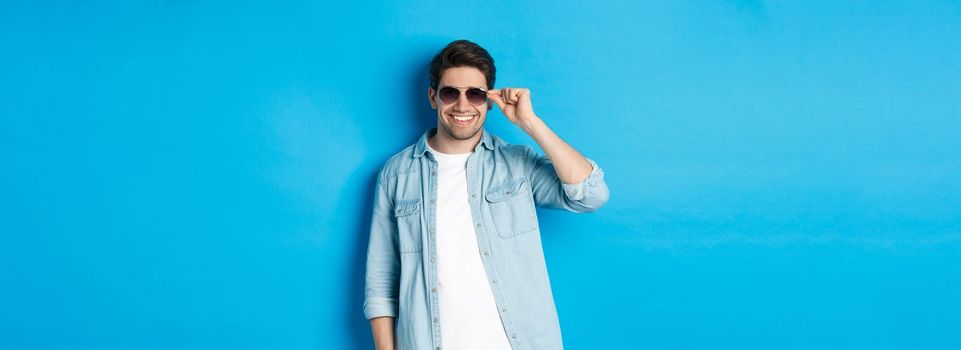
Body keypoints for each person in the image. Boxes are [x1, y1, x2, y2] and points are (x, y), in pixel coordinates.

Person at [364, 39, 609, 350]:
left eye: (476, 94)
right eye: (450, 93)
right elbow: (381, 283)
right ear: (432, 97)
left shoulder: (517, 164)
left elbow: (591, 194)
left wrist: (529, 123)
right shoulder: (396, 175)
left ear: (489, 101)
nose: (463, 106)